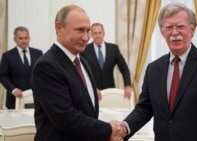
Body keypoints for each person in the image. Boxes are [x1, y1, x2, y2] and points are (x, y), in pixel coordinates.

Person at [121, 3, 197, 141]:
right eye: (169, 27)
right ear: (162, 32)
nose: (174, 33)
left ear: (192, 30)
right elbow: (144, 108)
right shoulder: (153, 69)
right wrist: (124, 127)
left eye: (180, 26)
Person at [31, 5, 126, 141]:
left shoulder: (82, 62)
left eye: (88, 30)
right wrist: (108, 130)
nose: (86, 37)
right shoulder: (46, 66)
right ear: (59, 28)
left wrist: (103, 135)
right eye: (80, 30)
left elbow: (87, 111)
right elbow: (65, 117)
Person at [80, 23, 131, 99]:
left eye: (100, 33)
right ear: (91, 35)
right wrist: (91, 88)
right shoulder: (84, 50)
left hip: (110, 91)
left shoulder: (113, 49)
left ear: (103, 34)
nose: (97, 35)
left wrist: (127, 85)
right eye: (95, 33)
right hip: (92, 92)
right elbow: (82, 72)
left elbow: (124, 68)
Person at [0, 26, 43, 109]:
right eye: (20, 38)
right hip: (15, 99)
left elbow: (42, 73)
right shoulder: (7, 56)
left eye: (26, 38)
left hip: (35, 98)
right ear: (15, 39)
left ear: (29, 38)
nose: (24, 41)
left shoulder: (38, 53)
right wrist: (13, 89)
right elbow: (2, 76)